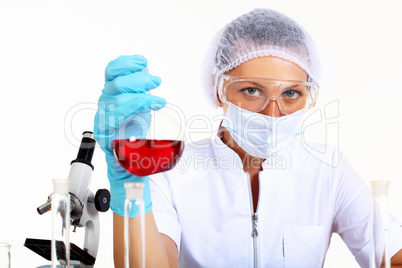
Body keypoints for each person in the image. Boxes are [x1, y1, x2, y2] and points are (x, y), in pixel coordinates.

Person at [94, 8, 402, 267]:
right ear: (219, 90)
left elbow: (392, 254)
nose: (272, 112)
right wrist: (130, 187)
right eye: (252, 90)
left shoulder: (328, 169)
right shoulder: (171, 171)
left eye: (291, 93)